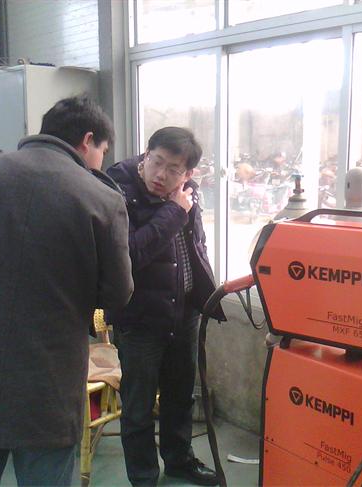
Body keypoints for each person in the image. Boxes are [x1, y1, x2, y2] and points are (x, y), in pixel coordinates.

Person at [0, 96, 134, 486]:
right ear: (88, 140)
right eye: (102, 150)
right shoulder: (102, 198)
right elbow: (117, 294)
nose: (101, 161)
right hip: (49, 385)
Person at [106, 127, 225, 487]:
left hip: (183, 312)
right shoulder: (117, 189)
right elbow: (129, 254)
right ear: (146, 155)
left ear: (188, 173)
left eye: (173, 169)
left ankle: (179, 461)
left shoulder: (187, 193)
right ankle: (143, 477)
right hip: (139, 318)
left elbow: (196, 245)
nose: (161, 174)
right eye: (156, 162)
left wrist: (204, 296)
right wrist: (174, 211)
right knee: (139, 406)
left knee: (180, 396)